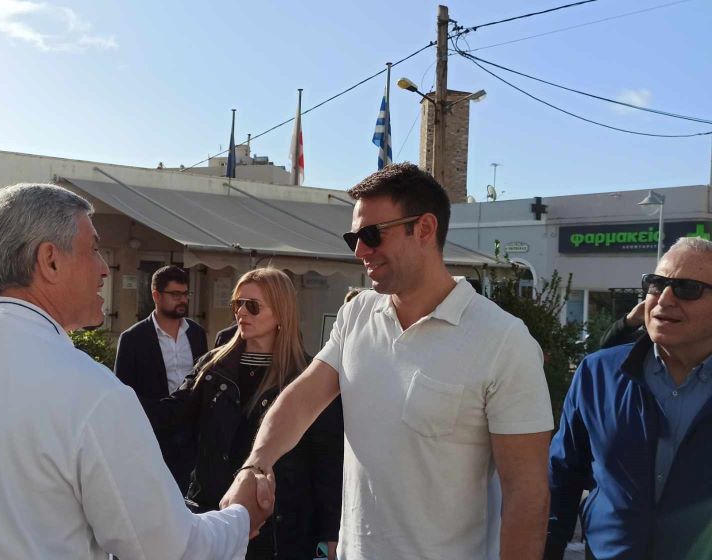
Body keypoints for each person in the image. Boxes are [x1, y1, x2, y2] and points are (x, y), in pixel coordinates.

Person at [0, 183, 273, 559]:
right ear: (50, 260)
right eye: (93, 249)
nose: (104, 268)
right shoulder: (91, 394)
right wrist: (242, 517)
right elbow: (169, 549)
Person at [223, 162, 554, 560]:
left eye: (372, 235)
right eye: (354, 237)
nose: (360, 250)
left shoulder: (503, 340)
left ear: (425, 229)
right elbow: (301, 401)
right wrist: (256, 465)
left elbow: (527, 495)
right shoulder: (357, 314)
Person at [148, 268, 343, 560]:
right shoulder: (213, 368)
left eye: (252, 305)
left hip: (281, 526)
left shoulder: (306, 376)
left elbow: (328, 458)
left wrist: (331, 531)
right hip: (215, 516)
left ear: (281, 312)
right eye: (237, 304)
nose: (241, 312)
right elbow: (171, 415)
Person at [546, 237, 712, 560]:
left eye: (687, 289)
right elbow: (561, 478)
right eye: (656, 284)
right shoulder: (598, 374)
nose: (664, 299)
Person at [115, 265, 208, 493]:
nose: (182, 300)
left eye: (185, 294)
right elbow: (124, 393)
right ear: (156, 295)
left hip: (191, 436)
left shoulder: (196, 334)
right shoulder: (133, 339)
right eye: (175, 294)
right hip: (152, 436)